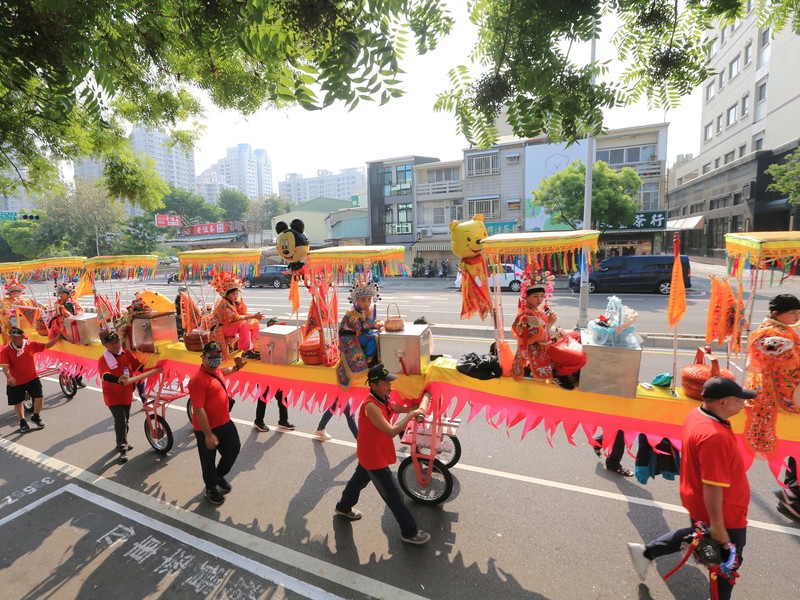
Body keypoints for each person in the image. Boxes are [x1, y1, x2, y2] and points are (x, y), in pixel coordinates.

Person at [628, 377, 754, 600]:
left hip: (697, 498)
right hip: (723, 512)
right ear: (722, 403)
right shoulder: (715, 437)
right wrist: (718, 524)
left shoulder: (697, 414)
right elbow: (713, 487)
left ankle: (647, 552)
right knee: (727, 563)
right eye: (739, 400)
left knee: (697, 536)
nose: (743, 404)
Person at [334, 363, 430, 545]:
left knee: (357, 482)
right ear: (374, 384)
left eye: (389, 381)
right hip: (373, 458)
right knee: (394, 496)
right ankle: (409, 532)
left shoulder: (382, 399)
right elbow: (391, 431)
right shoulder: (371, 406)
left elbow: (392, 408)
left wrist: (411, 408)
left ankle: (343, 506)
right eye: (386, 382)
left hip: (368, 452)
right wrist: (410, 416)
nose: (390, 385)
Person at [744, 293, 800, 518]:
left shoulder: (780, 330)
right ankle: (792, 495)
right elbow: (785, 360)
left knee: (794, 447)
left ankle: (792, 496)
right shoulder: (771, 333)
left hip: (784, 395)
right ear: (777, 313)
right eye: (793, 313)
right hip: (779, 397)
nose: (797, 316)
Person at [189, 341, 244, 505]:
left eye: (218, 354)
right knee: (208, 461)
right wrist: (208, 434)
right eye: (211, 355)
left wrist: (236, 368)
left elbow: (223, 372)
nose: (215, 358)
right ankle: (210, 487)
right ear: (203, 357)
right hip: (207, 429)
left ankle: (218, 475)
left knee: (233, 449)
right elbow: (198, 409)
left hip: (225, 422)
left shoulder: (216, 371)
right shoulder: (197, 380)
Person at [511, 275, 586, 389]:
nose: (539, 300)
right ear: (526, 297)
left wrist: (557, 330)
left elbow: (544, 327)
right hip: (539, 348)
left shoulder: (535, 309)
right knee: (580, 358)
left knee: (575, 335)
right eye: (536, 296)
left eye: (541, 296)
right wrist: (551, 325)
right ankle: (559, 374)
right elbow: (535, 339)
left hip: (548, 340)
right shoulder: (526, 315)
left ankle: (560, 363)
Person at [1, 326, 62, 432]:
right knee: (18, 402)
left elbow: (47, 346)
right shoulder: (6, 350)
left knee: (39, 397)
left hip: (32, 378)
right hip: (16, 382)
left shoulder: (31, 345)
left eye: (16, 337)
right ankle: (22, 421)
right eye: (12, 337)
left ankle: (36, 416)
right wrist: (9, 376)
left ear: (22, 337)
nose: (13, 339)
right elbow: (5, 366)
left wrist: (58, 337)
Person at [98, 330, 142, 463]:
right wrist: (118, 379)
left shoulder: (126, 353)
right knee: (121, 420)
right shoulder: (103, 359)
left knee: (126, 420)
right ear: (106, 345)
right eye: (111, 344)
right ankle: (122, 447)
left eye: (116, 342)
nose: (115, 345)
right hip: (112, 395)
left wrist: (154, 368)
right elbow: (104, 375)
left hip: (126, 393)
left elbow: (137, 366)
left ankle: (123, 441)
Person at [211, 272, 263, 359]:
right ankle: (245, 349)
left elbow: (241, 314)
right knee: (243, 324)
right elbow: (237, 318)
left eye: (236, 294)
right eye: (233, 294)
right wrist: (253, 316)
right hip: (220, 328)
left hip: (230, 325)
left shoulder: (234, 302)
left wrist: (253, 317)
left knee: (254, 322)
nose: (235, 296)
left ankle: (255, 347)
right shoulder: (224, 304)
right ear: (226, 294)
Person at [338, 280, 382, 372]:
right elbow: (363, 328)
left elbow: (369, 324)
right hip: (351, 339)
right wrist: (370, 318)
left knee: (377, 334)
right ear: (356, 300)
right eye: (363, 300)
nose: (367, 303)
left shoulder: (362, 311)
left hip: (359, 335)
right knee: (374, 338)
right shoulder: (352, 313)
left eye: (369, 300)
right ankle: (369, 359)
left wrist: (377, 325)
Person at [0, 279, 45, 344]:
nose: (16, 295)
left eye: (18, 293)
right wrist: (14, 307)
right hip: (9, 321)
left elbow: (28, 309)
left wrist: (21, 303)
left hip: (22, 321)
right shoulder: (5, 301)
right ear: (10, 294)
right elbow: (5, 310)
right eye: (14, 293)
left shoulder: (23, 300)